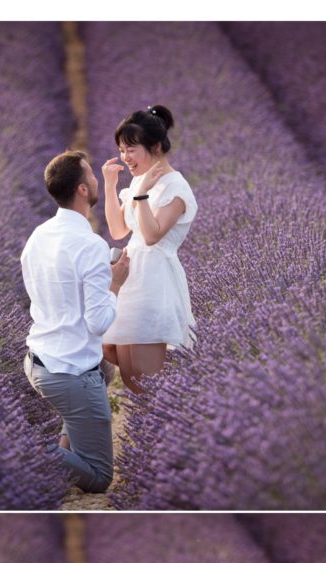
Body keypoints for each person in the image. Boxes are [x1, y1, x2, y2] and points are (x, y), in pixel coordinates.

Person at [21, 151, 130, 493]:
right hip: (70, 372)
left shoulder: (37, 236)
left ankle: (50, 471)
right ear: (83, 190)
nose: (97, 180)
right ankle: (22, 451)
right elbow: (99, 323)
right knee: (98, 476)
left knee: (90, 393)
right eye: (92, 176)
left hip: (37, 360)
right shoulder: (90, 246)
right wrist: (114, 284)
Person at [101, 105, 198, 394]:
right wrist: (109, 186)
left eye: (131, 149)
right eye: (121, 150)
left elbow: (153, 235)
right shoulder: (141, 181)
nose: (125, 157)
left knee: (144, 377)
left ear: (155, 146)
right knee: (114, 354)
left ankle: (173, 418)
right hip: (131, 276)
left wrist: (142, 196)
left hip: (155, 280)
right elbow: (119, 230)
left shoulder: (176, 187)